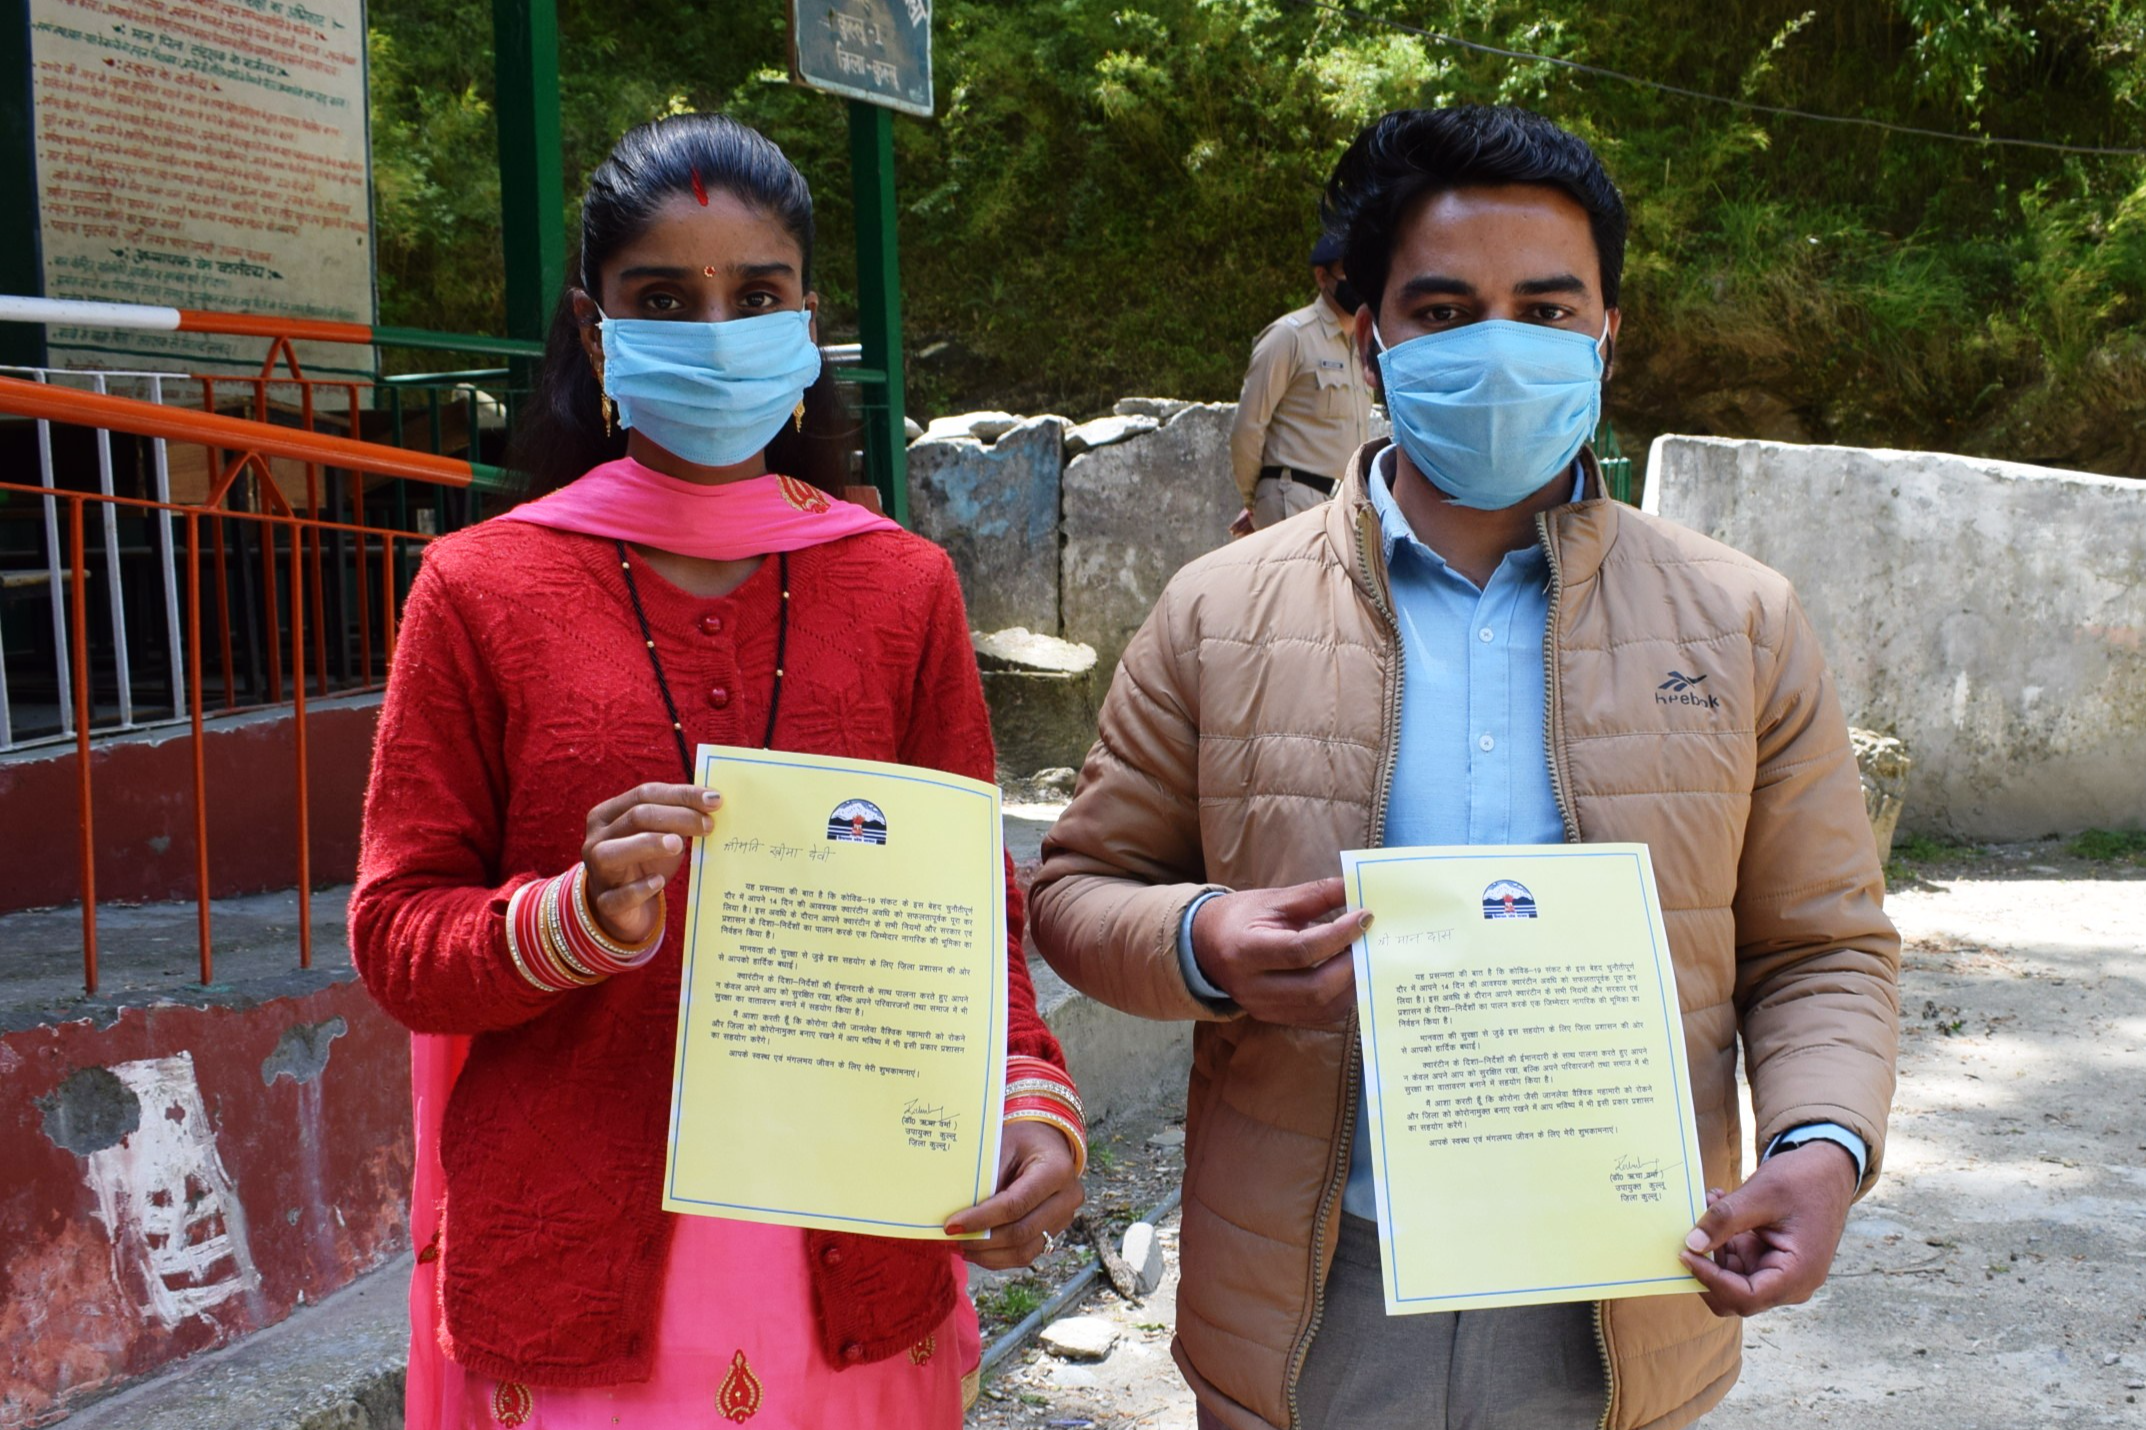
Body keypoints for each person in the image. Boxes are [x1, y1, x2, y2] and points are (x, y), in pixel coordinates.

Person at [1032, 104, 1899, 1430]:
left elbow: (1821, 945)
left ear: (1610, 328)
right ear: (1364, 332)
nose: (1499, 346)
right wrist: (1203, 936)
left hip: (1620, 1294)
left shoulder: (1739, 621)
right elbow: (1081, 888)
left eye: (1546, 311)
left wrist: (1820, 1145)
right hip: (1319, 1297)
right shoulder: (1217, 614)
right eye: (1443, 311)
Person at [350, 113, 1086, 1430]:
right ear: (594, 334)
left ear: (807, 325)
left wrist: (1032, 1104)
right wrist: (570, 920)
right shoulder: (477, 589)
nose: (713, 329)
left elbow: (975, 925)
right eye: (662, 298)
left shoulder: (902, 587)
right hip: (575, 1265)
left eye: (755, 295)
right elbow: (399, 936)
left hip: (856, 1249)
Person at [1227, 232, 1376, 534]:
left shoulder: (1360, 347)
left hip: (1342, 506)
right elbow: (1248, 427)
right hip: (1292, 499)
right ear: (1323, 277)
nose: (1359, 282)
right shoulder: (1290, 337)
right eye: (1348, 271)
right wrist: (1255, 499)